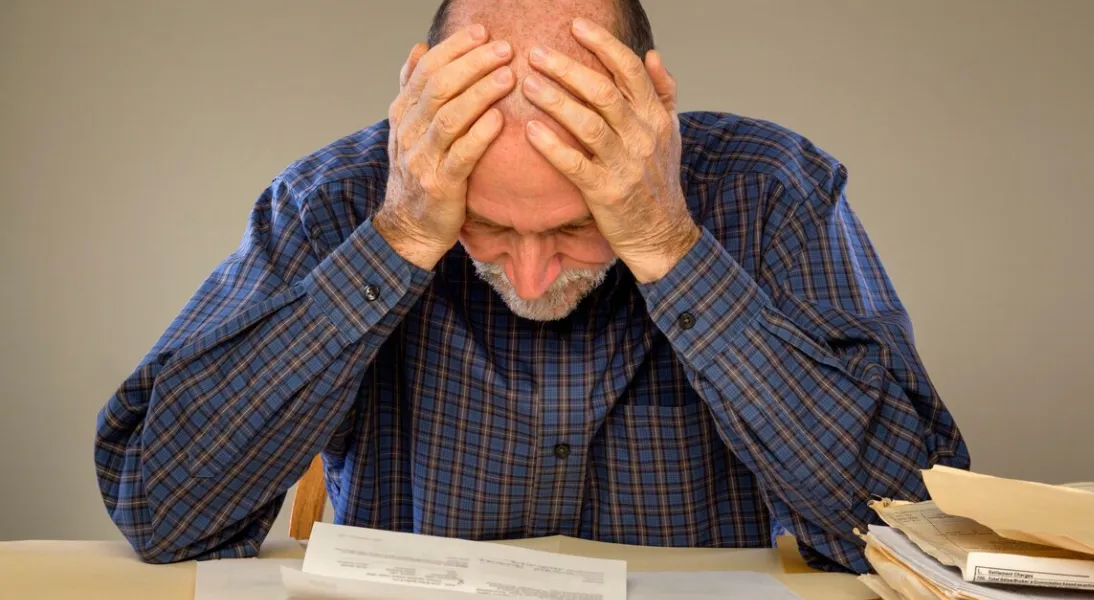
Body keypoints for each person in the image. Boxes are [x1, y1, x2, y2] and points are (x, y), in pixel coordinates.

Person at [94, 0, 969, 574]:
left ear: (653, 115)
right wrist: (399, 237)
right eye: (487, 225)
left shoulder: (771, 188)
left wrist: (663, 240)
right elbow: (164, 511)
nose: (531, 275)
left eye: (577, 225)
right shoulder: (338, 198)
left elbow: (907, 525)